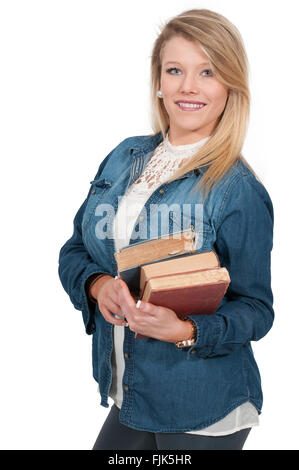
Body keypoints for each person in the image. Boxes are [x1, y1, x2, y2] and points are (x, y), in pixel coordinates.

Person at [58, 8, 274, 450]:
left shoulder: (237, 189)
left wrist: (186, 331)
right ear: (158, 81)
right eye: (175, 70)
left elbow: (256, 308)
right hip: (130, 393)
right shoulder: (123, 158)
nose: (188, 87)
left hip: (202, 405)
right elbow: (74, 250)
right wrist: (99, 287)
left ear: (229, 84)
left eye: (208, 71)